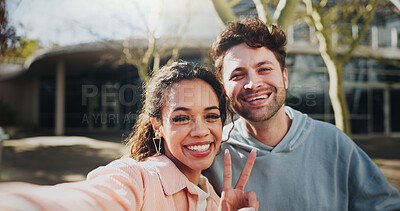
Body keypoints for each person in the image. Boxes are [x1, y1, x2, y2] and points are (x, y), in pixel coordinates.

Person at [0, 62, 259, 211]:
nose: (201, 130)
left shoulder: (214, 200)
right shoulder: (137, 179)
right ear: (157, 126)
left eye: (211, 116)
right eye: (181, 117)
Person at [203, 17, 400, 210]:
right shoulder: (211, 152)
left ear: (285, 77)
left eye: (264, 69)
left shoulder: (333, 143)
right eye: (238, 75)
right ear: (224, 90)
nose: (253, 84)